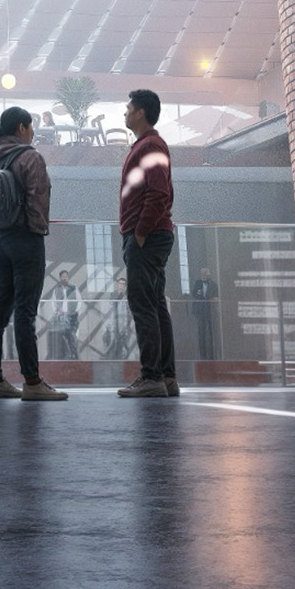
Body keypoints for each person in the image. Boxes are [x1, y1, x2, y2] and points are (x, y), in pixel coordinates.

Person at [0, 106, 67, 401]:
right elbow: (38, 200)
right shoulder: (30, 157)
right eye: (32, 126)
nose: (33, 131)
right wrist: (35, 231)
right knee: (25, 312)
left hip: (1, 242)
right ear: (23, 128)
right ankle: (32, 382)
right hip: (27, 241)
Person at [117, 87, 177, 397]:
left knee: (143, 304)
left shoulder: (151, 145)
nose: (124, 113)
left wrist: (139, 232)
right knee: (154, 304)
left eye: (128, 108)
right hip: (152, 235)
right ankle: (165, 377)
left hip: (147, 237)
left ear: (140, 112)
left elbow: (158, 194)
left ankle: (152, 376)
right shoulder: (147, 145)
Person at [44, 268, 81, 360]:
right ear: (60, 278)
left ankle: (74, 356)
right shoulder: (56, 290)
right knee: (62, 337)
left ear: (68, 278)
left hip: (72, 317)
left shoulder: (74, 288)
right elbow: (53, 302)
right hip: (61, 317)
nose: (64, 278)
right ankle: (65, 356)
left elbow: (79, 301)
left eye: (66, 277)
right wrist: (56, 312)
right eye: (63, 277)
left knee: (72, 337)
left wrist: (76, 311)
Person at [192, 266, 216, 360]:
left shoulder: (213, 284)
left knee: (211, 332)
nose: (204, 274)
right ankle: (202, 355)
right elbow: (193, 293)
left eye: (206, 272)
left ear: (209, 274)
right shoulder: (197, 283)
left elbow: (216, 295)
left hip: (210, 311)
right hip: (200, 311)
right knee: (201, 332)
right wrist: (197, 293)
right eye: (202, 273)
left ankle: (212, 354)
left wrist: (214, 298)